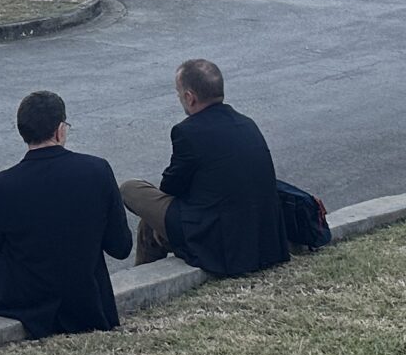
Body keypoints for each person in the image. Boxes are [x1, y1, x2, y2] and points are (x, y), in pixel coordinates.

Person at [0, 90, 131, 337]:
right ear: (60, 130)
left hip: (28, 304)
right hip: (87, 303)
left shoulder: (1, 186)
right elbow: (121, 247)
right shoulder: (97, 170)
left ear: (23, 133)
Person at [119, 59, 289, 276]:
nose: (179, 98)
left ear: (190, 98)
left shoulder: (187, 132)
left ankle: (144, 269)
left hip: (219, 240)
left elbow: (171, 187)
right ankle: (149, 260)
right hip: (262, 237)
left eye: (179, 94)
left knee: (130, 188)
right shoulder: (247, 123)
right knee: (149, 223)